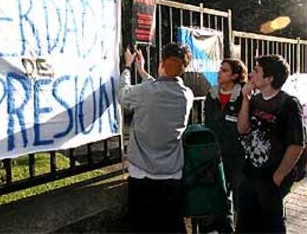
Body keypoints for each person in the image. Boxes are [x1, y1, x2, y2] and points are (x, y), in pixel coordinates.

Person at [118, 42, 193, 232]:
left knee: (141, 224)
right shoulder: (187, 95)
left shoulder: (146, 92)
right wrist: (142, 71)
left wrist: (127, 67)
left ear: (162, 64)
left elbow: (123, 95)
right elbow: (159, 88)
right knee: (170, 225)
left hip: (142, 173)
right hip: (171, 173)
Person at [236, 55, 305, 233]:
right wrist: (245, 99)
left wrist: (278, 177)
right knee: (246, 223)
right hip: (251, 172)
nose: (251, 74)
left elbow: (297, 144)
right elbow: (243, 129)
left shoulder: (288, 104)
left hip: (271, 177)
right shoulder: (256, 100)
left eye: (256, 71)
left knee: (270, 225)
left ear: (269, 78)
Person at [201, 59, 248, 232]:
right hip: (216, 155)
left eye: (224, 70)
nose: (219, 72)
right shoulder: (212, 93)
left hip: (238, 156)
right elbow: (207, 122)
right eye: (220, 69)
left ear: (235, 75)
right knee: (220, 196)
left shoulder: (244, 94)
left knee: (240, 198)